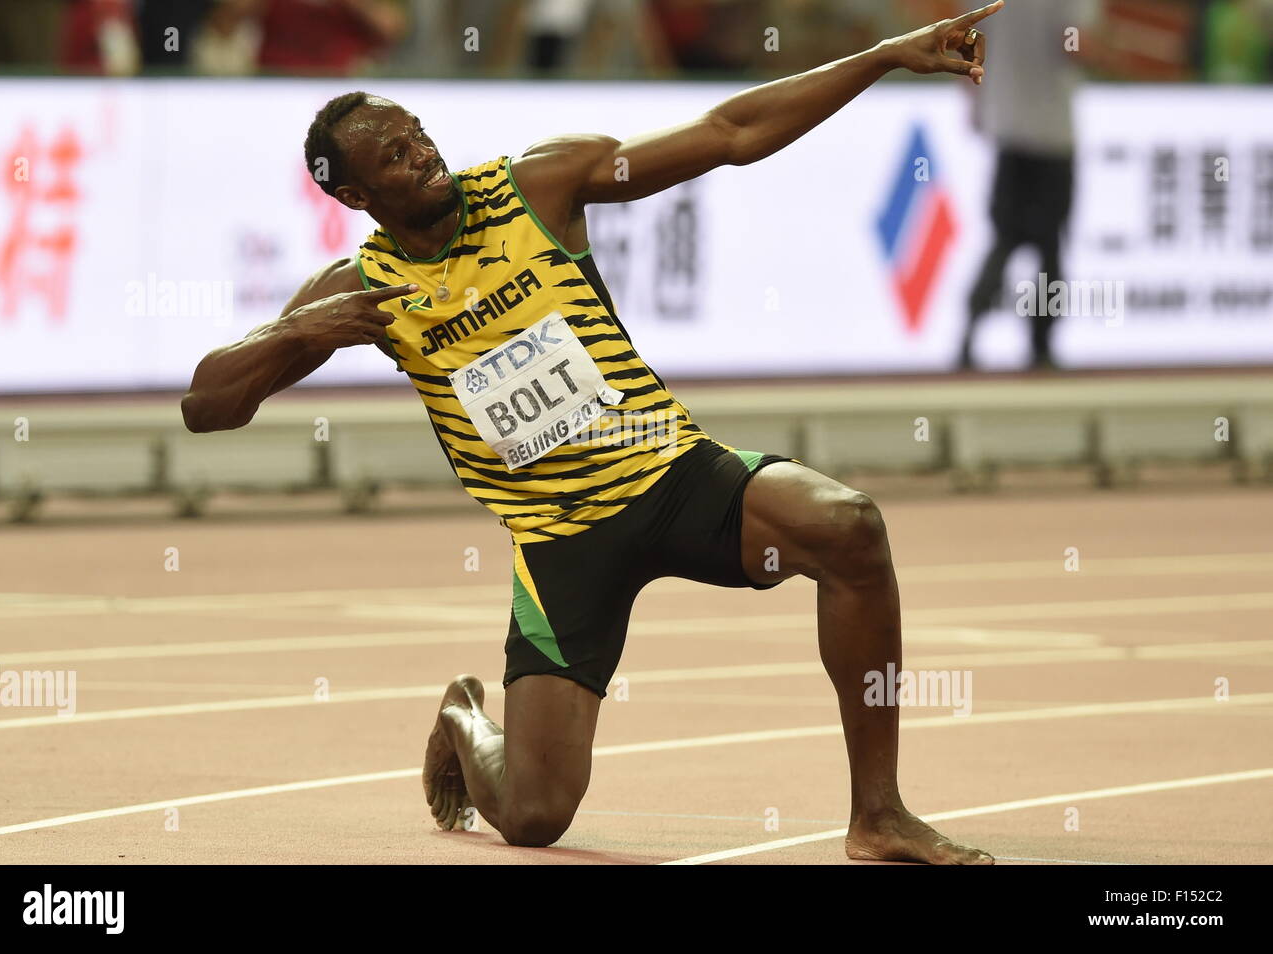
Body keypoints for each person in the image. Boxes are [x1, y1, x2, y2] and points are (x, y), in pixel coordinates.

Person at [181, 1, 1005, 863]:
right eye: (395, 156)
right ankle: (466, 715)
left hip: (674, 476)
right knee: (536, 818)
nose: (424, 154)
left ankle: (878, 815)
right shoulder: (362, 291)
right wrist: (295, 333)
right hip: (558, 543)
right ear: (356, 196)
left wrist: (882, 56)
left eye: (420, 134)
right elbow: (207, 408)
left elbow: (732, 130)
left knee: (849, 527)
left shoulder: (540, 185)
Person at [959, 0, 1100, 371]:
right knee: (1049, 247)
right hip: (1051, 130)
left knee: (1004, 240)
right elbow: (1075, 46)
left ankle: (969, 335)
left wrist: (976, 106)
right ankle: (1041, 347)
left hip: (1007, 126)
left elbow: (968, 43)